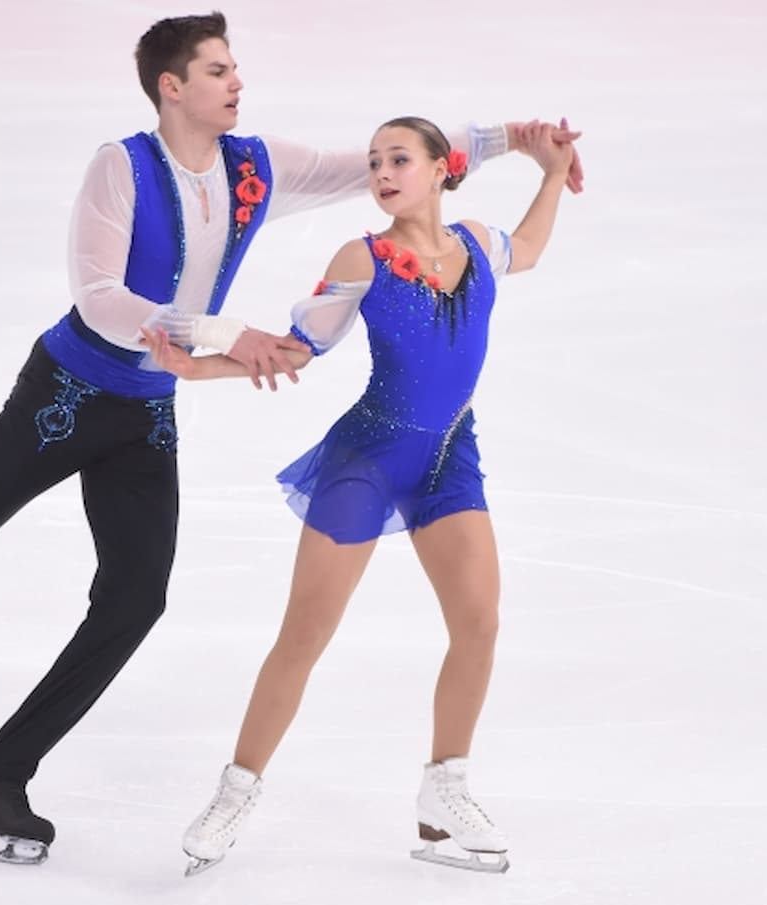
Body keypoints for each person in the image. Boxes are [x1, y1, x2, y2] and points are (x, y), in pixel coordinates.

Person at [0, 10, 582, 865]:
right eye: (218, 70)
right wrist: (214, 332)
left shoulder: (258, 166)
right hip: (63, 394)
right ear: (174, 87)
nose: (236, 80)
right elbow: (98, 296)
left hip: (144, 412)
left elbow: (391, 161)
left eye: (234, 66)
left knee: (135, 600)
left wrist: (517, 137)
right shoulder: (122, 166)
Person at [142, 115, 577, 875]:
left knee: (479, 622)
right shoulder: (364, 257)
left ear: (443, 167)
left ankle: (445, 787)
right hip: (368, 458)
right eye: (375, 161)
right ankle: (235, 790)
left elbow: (531, 247)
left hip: (447, 457)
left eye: (399, 158)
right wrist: (196, 365)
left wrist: (550, 174)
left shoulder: (477, 243)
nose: (381, 172)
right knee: (306, 631)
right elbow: (292, 350)